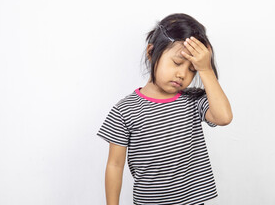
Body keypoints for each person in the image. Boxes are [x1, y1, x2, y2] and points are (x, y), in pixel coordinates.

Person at [96, 13, 233, 205]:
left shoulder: (193, 100)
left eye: (192, 69)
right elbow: (115, 165)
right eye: (177, 63)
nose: (182, 74)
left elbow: (224, 117)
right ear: (151, 53)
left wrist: (206, 69)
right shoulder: (125, 110)